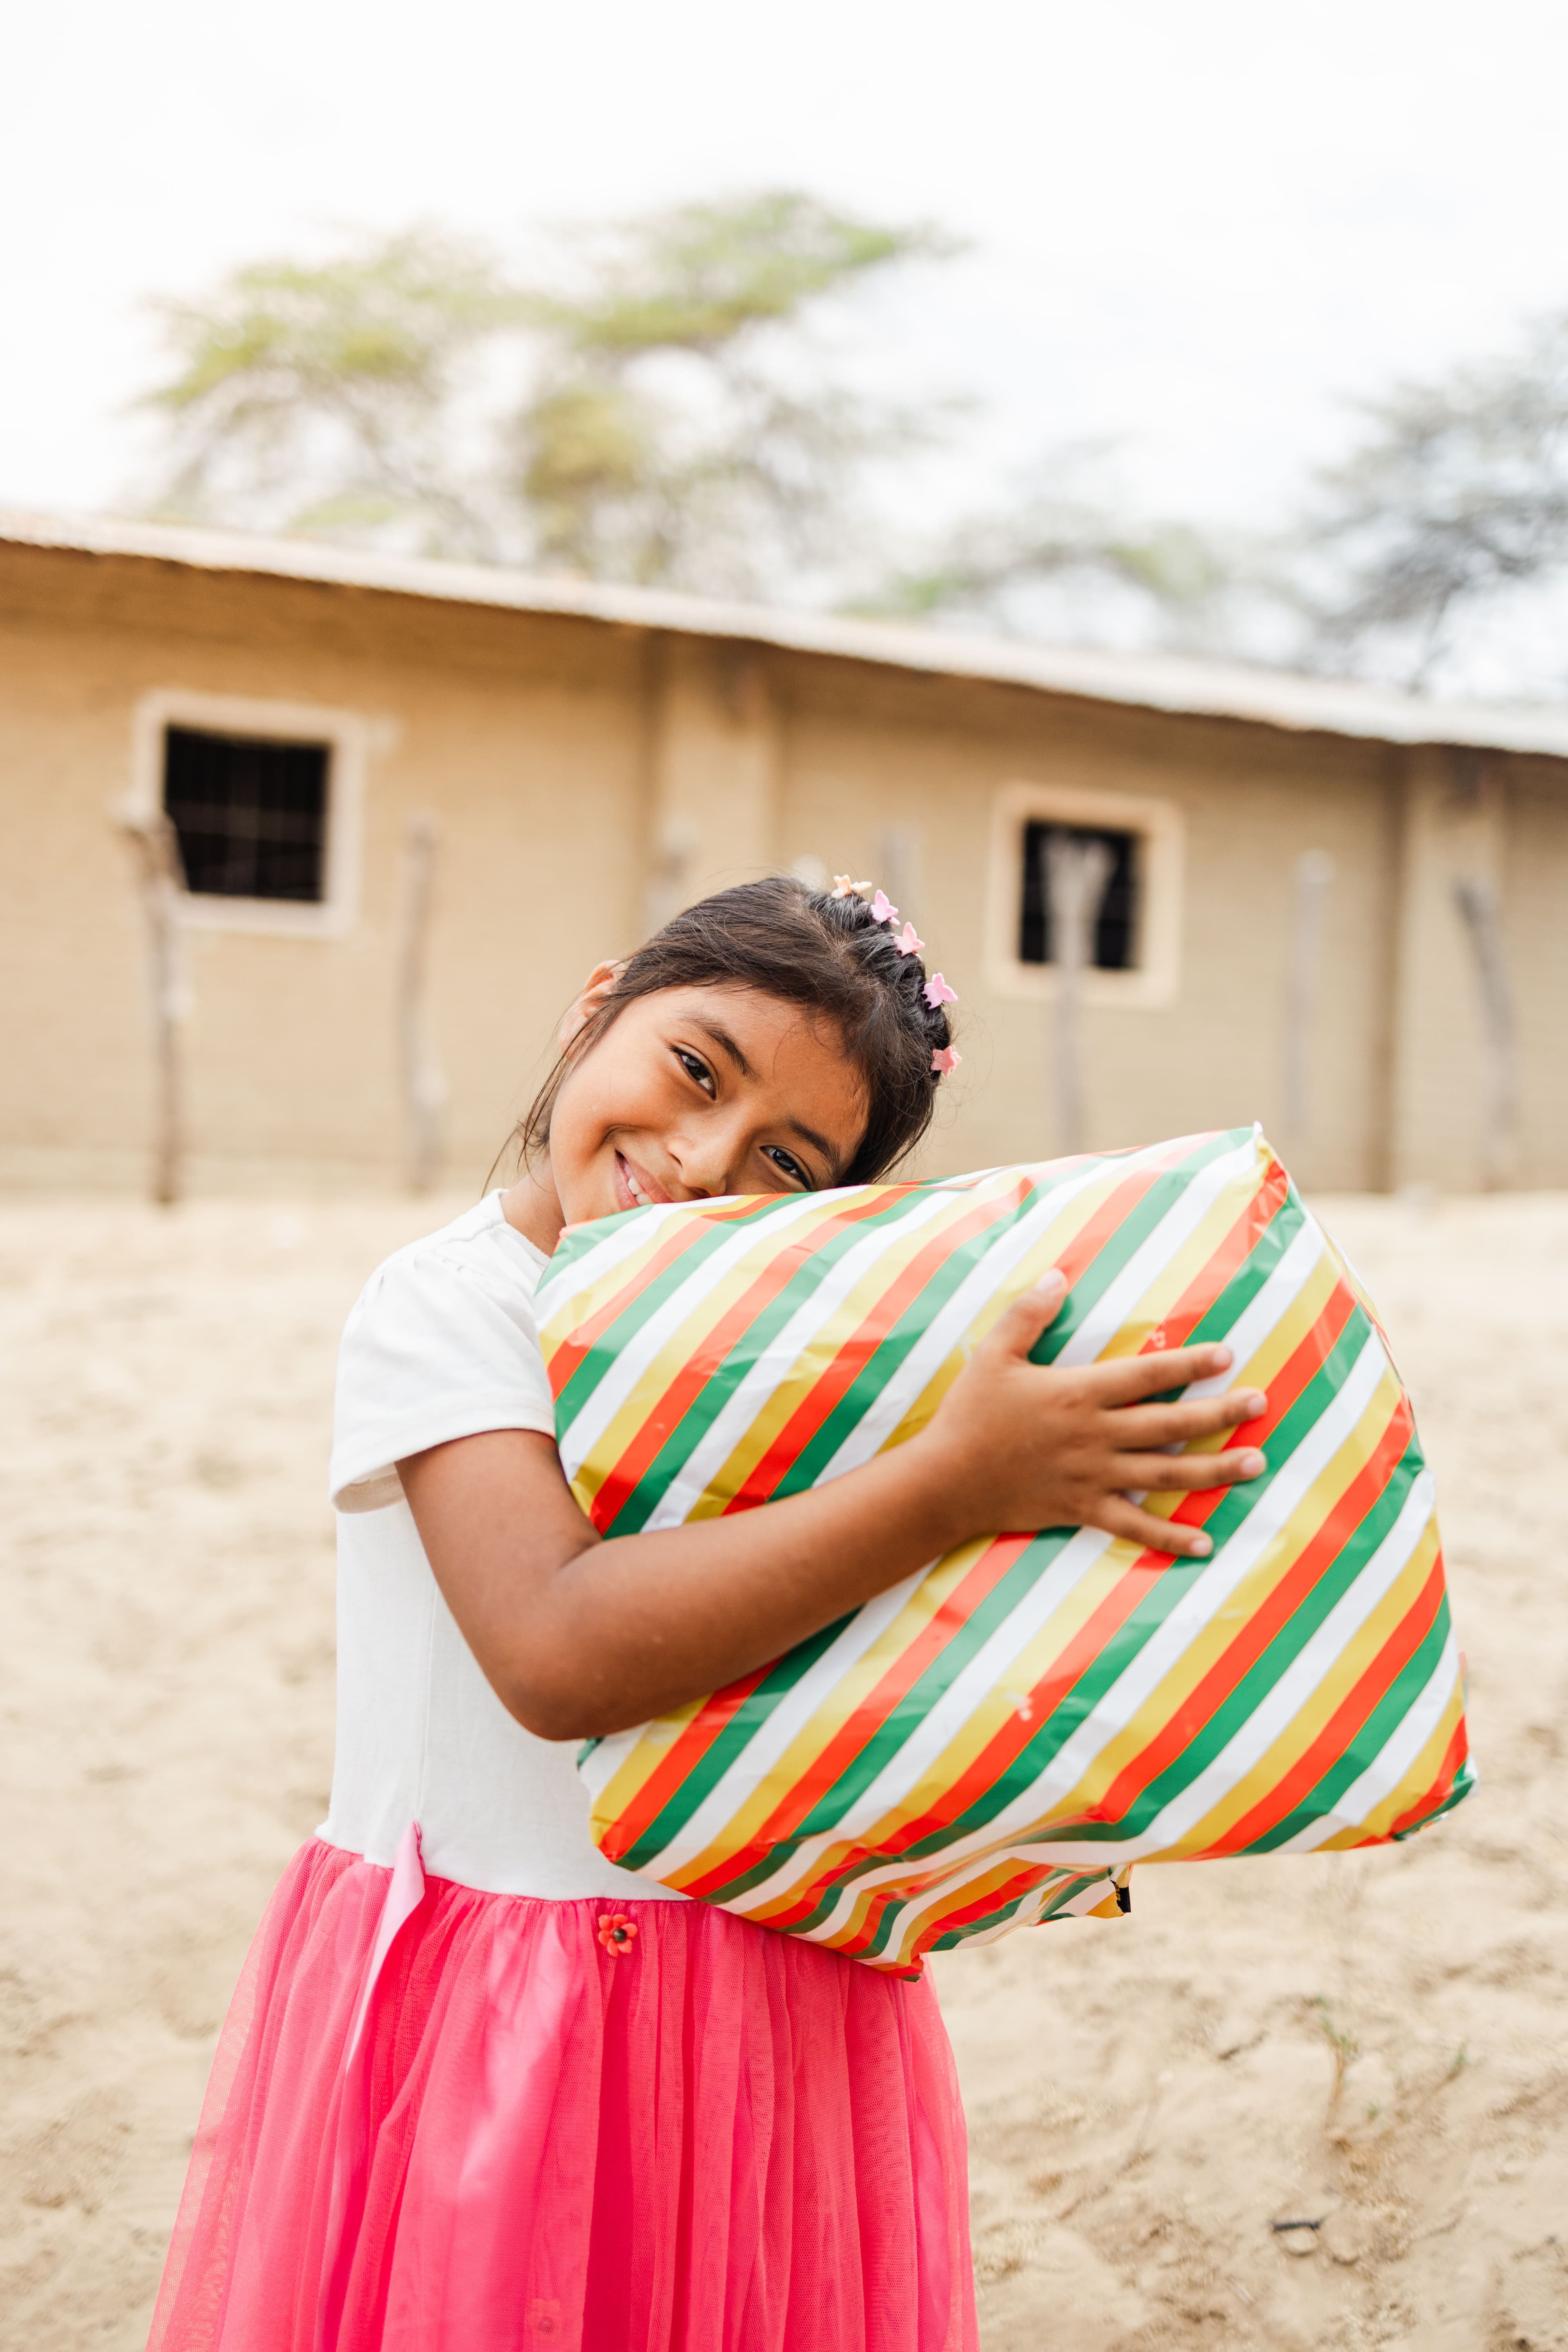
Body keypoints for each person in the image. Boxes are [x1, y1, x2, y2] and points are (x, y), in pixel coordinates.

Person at [147, 875, 1268, 2352]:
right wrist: (953, 1480)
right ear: (596, 1005)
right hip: (509, 2007)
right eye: (694, 1069)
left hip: (770, 1995)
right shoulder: (452, 1308)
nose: (698, 1163)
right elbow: (555, 1652)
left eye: (786, 1165)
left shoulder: (796, 1356)